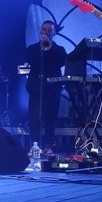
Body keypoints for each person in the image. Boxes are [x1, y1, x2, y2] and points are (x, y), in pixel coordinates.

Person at [23, 20, 67, 152]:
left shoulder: (59, 50)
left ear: (54, 33)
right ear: (41, 31)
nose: (46, 32)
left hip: (52, 89)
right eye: (44, 29)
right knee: (34, 118)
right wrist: (42, 47)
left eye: (49, 30)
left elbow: (61, 62)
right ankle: (35, 146)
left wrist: (49, 47)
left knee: (50, 118)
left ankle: (48, 146)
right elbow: (30, 60)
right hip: (36, 88)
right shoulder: (32, 48)